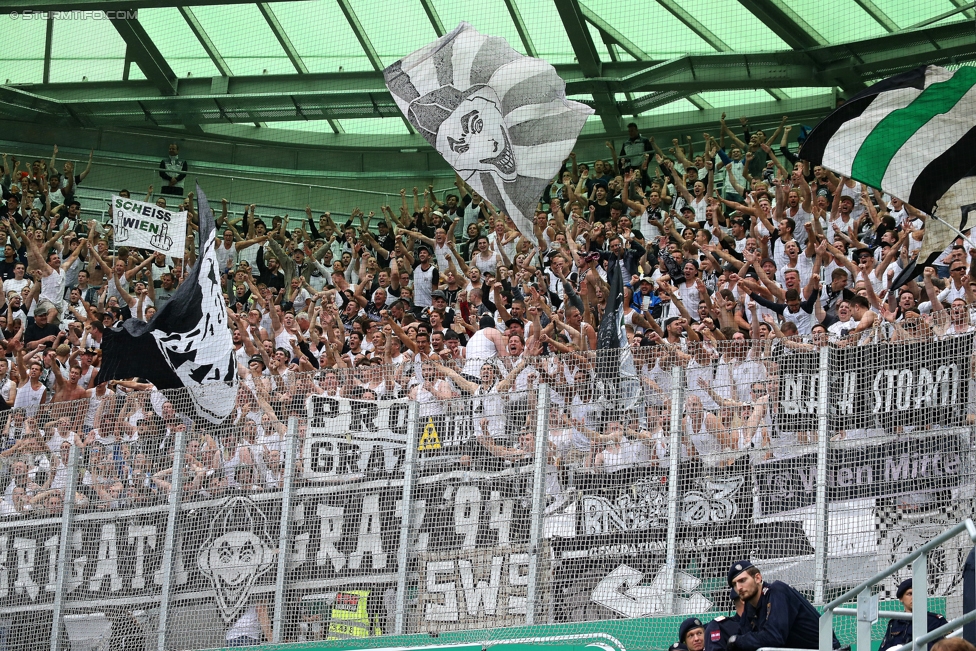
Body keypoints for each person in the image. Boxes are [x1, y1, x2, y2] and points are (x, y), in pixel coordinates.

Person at [727, 560, 834, 651]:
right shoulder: (749, 609)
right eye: (734, 584)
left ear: (758, 578)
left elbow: (774, 637)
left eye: (742, 580)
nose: (738, 587)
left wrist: (738, 641)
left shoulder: (777, 592)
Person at [879, 579, 947, 651]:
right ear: (901, 598)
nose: (914, 597)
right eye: (909, 594)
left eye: (917, 593)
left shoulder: (936, 621)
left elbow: (949, 646)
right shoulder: (894, 623)